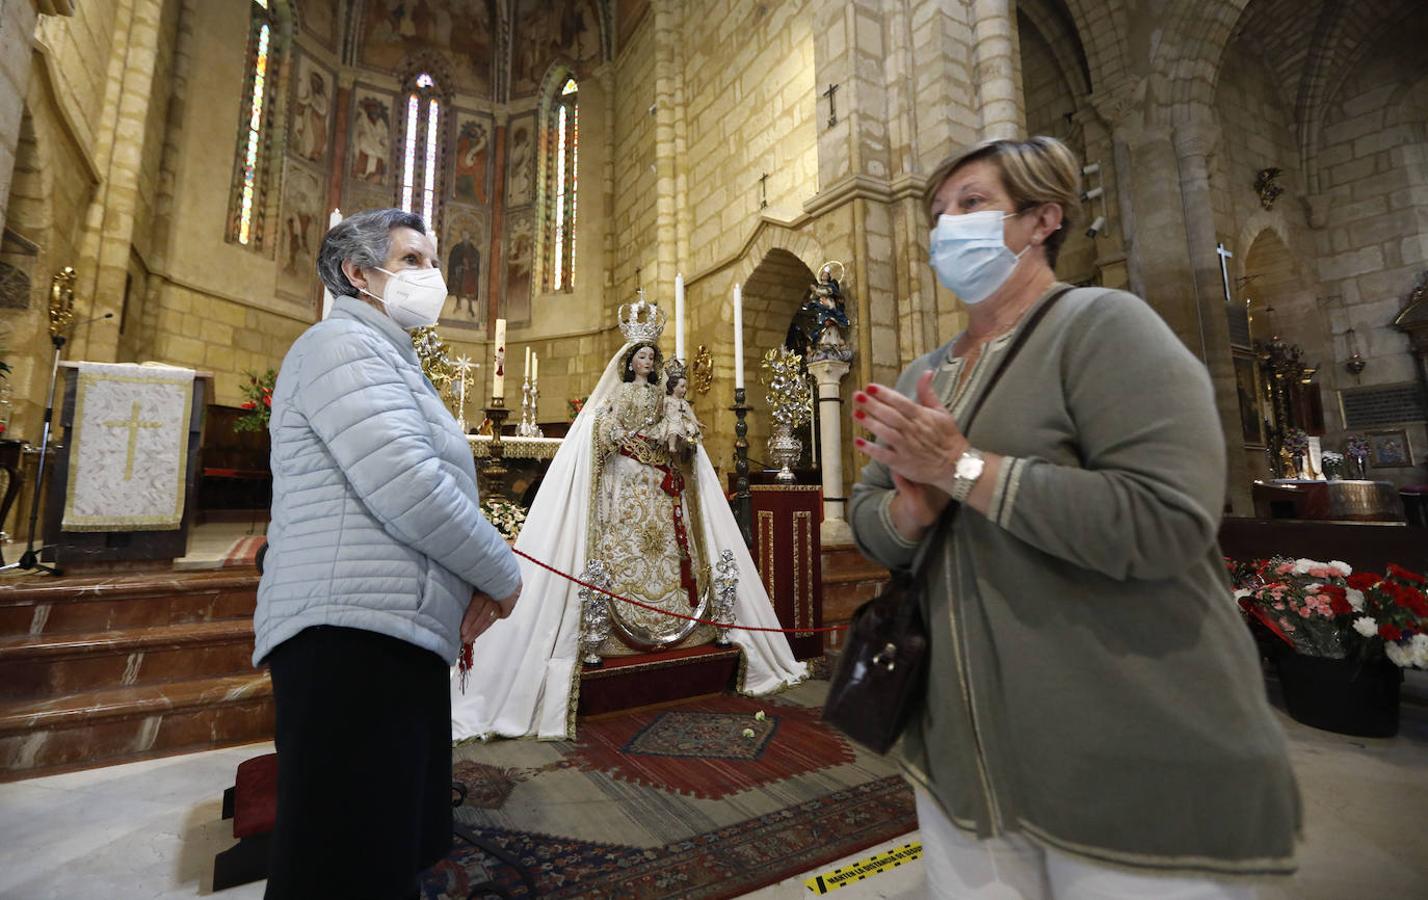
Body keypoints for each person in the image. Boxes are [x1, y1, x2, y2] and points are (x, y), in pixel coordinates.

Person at [848, 137, 1300, 899]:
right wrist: (913, 505)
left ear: (1041, 220)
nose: (944, 229)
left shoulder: (1103, 327)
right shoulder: (926, 373)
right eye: (936, 214)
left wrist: (964, 469)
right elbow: (870, 516)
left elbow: (1166, 520)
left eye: (971, 204)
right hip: (961, 751)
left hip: (1120, 751)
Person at [255, 208, 521, 899]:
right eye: (413, 261)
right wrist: (501, 575)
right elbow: (409, 482)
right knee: (343, 862)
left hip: (388, 629)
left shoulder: (383, 353)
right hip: (349, 638)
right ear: (356, 273)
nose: (432, 277)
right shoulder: (339, 346)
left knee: (381, 849)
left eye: (433, 262)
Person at [450, 299, 806, 741]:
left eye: (650, 357)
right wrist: (621, 435)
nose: (646, 362)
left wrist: (675, 432)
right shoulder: (619, 394)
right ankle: (611, 626)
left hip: (657, 483)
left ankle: (674, 620)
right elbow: (607, 428)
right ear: (629, 362)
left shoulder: (662, 394)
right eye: (641, 356)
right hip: (625, 482)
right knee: (625, 548)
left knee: (666, 549)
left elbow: (672, 427)